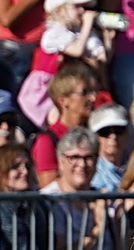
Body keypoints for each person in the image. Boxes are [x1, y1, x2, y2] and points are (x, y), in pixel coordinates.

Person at [18, 0, 113, 128]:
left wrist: (108, 39)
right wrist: (87, 26)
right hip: (45, 88)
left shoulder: (78, 33)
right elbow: (76, 50)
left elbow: (103, 58)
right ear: (58, 11)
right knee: (56, 121)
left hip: (67, 86)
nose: (82, 12)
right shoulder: (53, 33)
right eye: (76, 7)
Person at [32, 61, 101, 189]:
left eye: (93, 92)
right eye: (84, 92)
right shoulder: (47, 141)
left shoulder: (96, 135)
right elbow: (49, 191)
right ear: (63, 101)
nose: (92, 98)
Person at [88, 105, 131, 192]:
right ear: (96, 137)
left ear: (127, 133)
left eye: (119, 130)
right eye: (105, 132)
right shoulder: (90, 169)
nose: (113, 136)